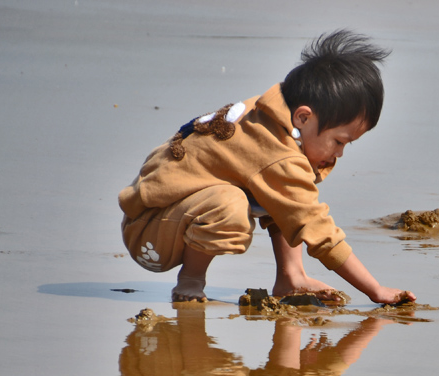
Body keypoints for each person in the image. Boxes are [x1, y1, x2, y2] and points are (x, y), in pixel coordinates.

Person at [118, 30, 415, 305]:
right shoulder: (275, 153)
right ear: (303, 118)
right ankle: (191, 280)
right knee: (234, 202)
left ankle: (291, 277)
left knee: (285, 196)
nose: (339, 153)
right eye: (339, 141)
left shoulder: (272, 119)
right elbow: (317, 229)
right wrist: (374, 290)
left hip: (172, 217)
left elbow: (290, 207)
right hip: (151, 235)